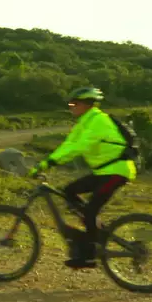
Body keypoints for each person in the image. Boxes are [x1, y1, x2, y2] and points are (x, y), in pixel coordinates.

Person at [29, 87, 136, 269]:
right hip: (103, 172)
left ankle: (89, 254)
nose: (70, 107)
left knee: (90, 210)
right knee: (69, 191)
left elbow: (80, 147)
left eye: (73, 103)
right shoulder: (83, 123)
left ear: (86, 104)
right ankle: (94, 230)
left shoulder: (98, 121)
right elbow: (68, 144)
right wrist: (46, 162)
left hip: (117, 171)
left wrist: (52, 162)